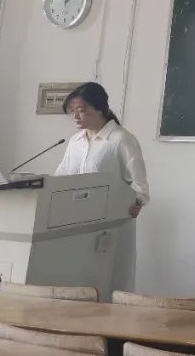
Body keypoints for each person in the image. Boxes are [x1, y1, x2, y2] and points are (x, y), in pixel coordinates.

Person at [54, 82, 149, 291]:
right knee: (79, 279)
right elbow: (61, 176)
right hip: (76, 219)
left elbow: (139, 183)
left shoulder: (120, 139)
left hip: (111, 220)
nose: (75, 116)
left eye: (81, 110)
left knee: (109, 279)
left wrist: (138, 201)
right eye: (71, 111)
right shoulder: (75, 141)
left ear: (99, 108)